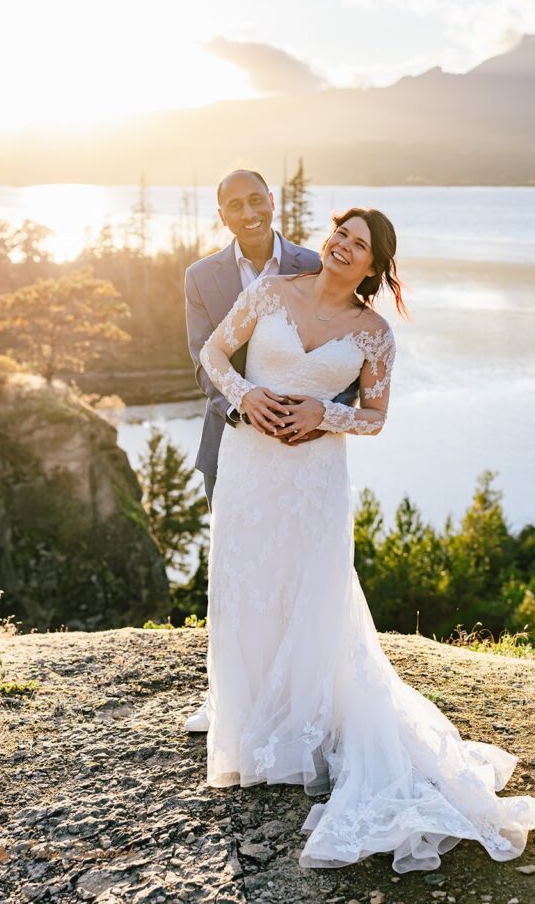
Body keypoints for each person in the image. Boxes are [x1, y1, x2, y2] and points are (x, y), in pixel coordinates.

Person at [197, 206, 535, 873]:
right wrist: (246, 397)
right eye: (340, 233)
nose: (342, 246)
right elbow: (213, 351)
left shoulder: (373, 335)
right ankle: (252, 718)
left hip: (315, 476)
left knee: (311, 590)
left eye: (359, 244)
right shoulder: (271, 290)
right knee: (249, 581)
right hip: (251, 465)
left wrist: (322, 412)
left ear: (373, 265)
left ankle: (303, 721)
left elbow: (374, 419)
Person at [183, 168, 358, 732]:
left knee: (301, 572)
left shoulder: (316, 263)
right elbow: (203, 359)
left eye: (257, 199)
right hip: (234, 444)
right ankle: (239, 698)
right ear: (223, 216)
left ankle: (299, 696)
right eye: (235, 204)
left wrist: (316, 416)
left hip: (308, 449)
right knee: (242, 571)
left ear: (272, 201)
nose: (249, 211)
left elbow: (351, 352)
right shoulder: (201, 277)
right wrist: (247, 405)